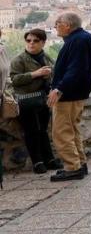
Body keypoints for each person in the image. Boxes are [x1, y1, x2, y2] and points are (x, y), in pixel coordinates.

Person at [47, 12, 91, 182]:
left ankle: (72, 168)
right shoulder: (83, 38)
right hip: (77, 93)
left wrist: (59, 89)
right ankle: (80, 164)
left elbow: (76, 68)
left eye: (57, 23)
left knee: (61, 132)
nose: (55, 26)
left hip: (68, 94)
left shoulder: (77, 41)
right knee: (72, 131)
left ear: (67, 25)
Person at [10, 29, 62, 173]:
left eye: (35, 41)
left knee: (43, 130)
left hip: (43, 100)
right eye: (28, 40)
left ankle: (49, 160)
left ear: (43, 43)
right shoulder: (19, 60)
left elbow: (55, 74)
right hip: (26, 101)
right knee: (31, 131)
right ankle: (37, 163)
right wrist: (35, 74)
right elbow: (14, 80)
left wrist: (49, 77)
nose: (31, 43)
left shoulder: (46, 57)